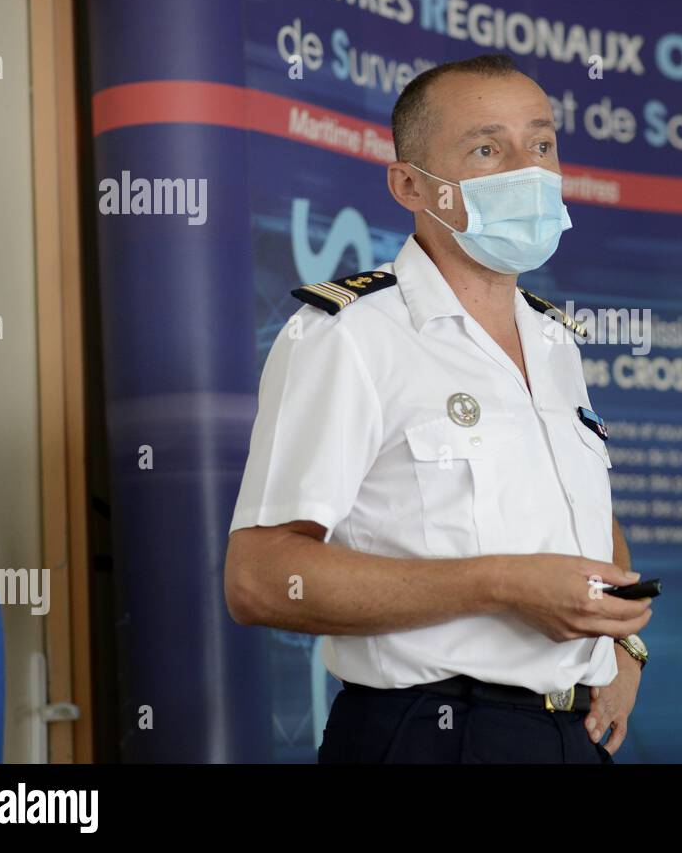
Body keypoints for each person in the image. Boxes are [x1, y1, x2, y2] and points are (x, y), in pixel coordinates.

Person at [224, 53, 652, 763]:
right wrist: (500, 586)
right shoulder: (349, 333)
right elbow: (259, 578)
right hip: (433, 734)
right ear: (411, 185)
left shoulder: (553, 341)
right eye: (488, 148)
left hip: (572, 737)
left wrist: (623, 643)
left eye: (541, 144)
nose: (529, 170)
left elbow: (582, 517)